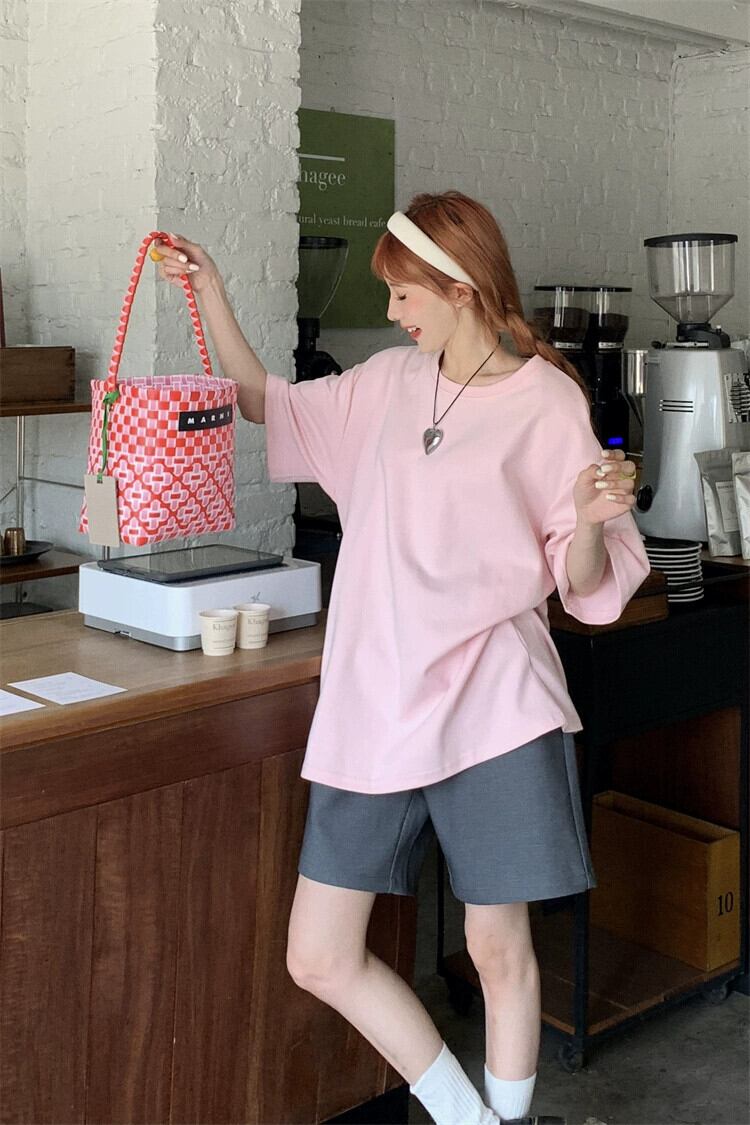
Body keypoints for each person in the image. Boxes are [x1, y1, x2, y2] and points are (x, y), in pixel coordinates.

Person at [153, 191, 650, 1125]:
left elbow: (583, 584)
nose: (391, 312)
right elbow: (264, 402)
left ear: (461, 286)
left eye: (404, 292)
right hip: (376, 700)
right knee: (319, 953)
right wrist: (210, 290)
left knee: (497, 948)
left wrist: (588, 521)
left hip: (494, 701)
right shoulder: (383, 384)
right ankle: (466, 1116)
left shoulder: (548, 403)